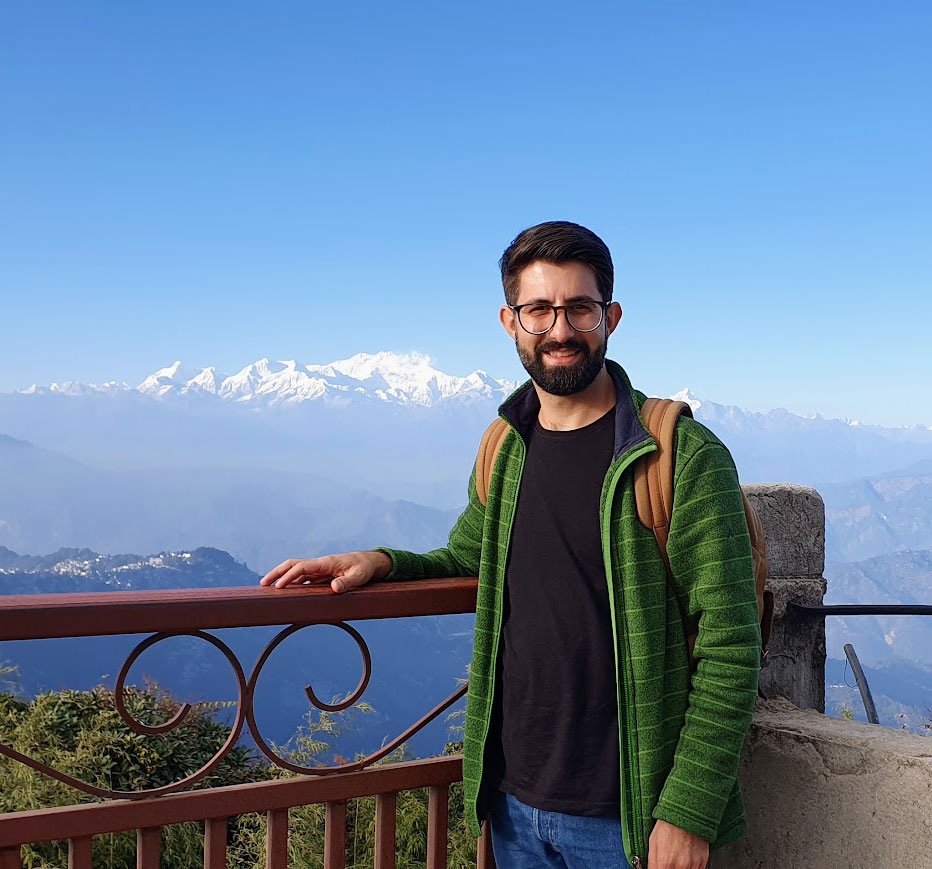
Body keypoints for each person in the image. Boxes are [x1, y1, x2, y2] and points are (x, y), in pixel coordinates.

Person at [261, 221, 761, 869]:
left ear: (610, 318)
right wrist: (381, 562)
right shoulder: (506, 444)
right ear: (510, 322)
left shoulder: (678, 455)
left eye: (579, 308)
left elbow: (730, 642)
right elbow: (470, 556)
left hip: (628, 818)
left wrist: (688, 811)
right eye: (539, 310)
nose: (560, 329)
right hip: (512, 803)